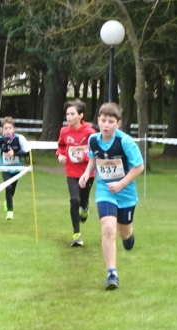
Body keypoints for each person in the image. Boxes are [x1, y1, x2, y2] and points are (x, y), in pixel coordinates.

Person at [79, 102, 144, 291]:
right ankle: (111, 273)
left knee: (124, 232)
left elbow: (139, 166)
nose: (106, 124)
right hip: (105, 190)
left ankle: (129, 237)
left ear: (118, 123)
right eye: (103, 120)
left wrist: (122, 184)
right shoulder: (93, 140)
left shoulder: (125, 142)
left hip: (126, 193)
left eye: (111, 121)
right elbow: (94, 157)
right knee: (108, 228)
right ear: (98, 120)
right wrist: (86, 173)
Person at [56, 99, 97, 247]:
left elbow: (96, 151)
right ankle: (76, 234)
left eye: (72, 114)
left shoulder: (90, 132)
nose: (69, 117)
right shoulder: (64, 131)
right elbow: (60, 145)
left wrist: (85, 156)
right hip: (71, 172)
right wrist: (59, 155)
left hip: (87, 172)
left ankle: (85, 208)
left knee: (83, 199)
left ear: (81, 115)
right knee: (74, 199)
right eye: (67, 114)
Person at [0, 117, 29, 220]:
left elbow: (27, 152)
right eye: (5, 128)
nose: (8, 130)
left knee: (12, 190)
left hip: (16, 168)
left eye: (10, 128)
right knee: (8, 187)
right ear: (2, 130)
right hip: (5, 168)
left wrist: (15, 153)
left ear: (14, 129)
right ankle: (10, 211)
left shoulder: (19, 138)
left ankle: (7, 201)